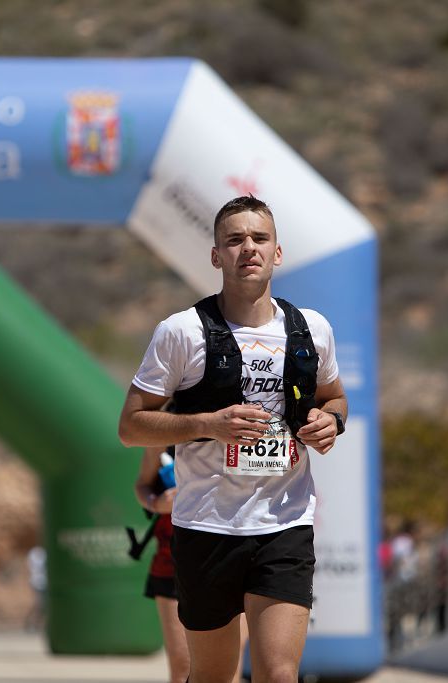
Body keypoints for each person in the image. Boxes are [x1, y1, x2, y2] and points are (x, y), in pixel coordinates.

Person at [118, 196, 348, 683]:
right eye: (235, 240)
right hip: (206, 526)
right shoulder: (181, 333)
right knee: (209, 676)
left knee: (279, 674)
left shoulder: (312, 330)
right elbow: (132, 426)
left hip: (285, 521)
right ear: (216, 255)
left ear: (277, 252)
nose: (249, 248)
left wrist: (332, 422)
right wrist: (206, 424)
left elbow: (334, 398)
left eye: (259, 238)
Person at [135, 445, 248, 683]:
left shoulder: (245, 420)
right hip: (173, 565)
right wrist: (157, 503)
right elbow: (142, 486)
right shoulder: (164, 432)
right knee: (183, 667)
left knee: (230, 670)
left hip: (241, 553)